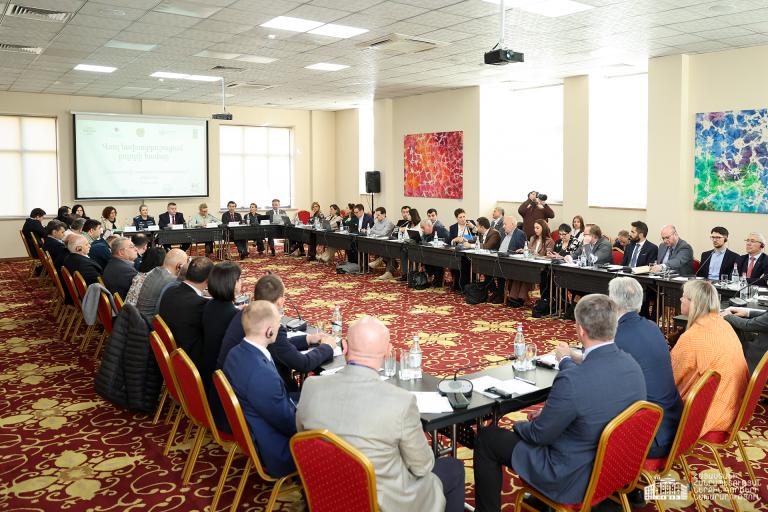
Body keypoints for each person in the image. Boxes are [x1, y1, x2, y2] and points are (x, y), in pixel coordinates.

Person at [473, 294, 645, 511]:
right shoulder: (632, 365)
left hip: (571, 476)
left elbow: (539, 435)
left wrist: (520, 426)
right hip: (617, 468)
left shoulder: (573, 381)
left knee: (487, 438)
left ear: (581, 330)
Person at [297, 316, 465, 512]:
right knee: (453, 468)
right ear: (388, 352)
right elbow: (423, 466)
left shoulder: (311, 386)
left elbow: (303, 437)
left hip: (327, 492)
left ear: (344, 346)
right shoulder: (401, 401)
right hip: (379, 503)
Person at [217, 273, 335, 395]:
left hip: (232, 389)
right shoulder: (271, 327)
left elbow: (277, 346)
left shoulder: (245, 314)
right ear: (280, 301)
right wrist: (327, 347)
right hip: (265, 394)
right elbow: (303, 364)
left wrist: (308, 339)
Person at [606, 277, 682, 458]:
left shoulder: (617, 336)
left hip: (649, 436)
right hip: (675, 426)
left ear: (612, 303)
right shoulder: (652, 326)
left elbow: (598, 383)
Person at [222, 300, 297, 477]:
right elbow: (289, 424)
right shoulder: (260, 374)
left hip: (257, 430)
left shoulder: (235, 353)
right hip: (278, 451)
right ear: (269, 331)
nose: (280, 329)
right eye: (279, 324)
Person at [672, 280, 748, 435]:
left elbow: (671, 380)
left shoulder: (692, 337)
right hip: (734, 405)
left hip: (709, 414)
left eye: (684, 297)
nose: (680, 299)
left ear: (694, 303)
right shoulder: (723, 324)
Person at [158, 256, 213, 370]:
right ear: (208, 280)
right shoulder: (199, 304)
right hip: (189, 362)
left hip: (170, 353)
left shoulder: (170, 291)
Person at [200, 262, 243, 392]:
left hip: (207, 368)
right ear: (233, 284)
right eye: (239, 279)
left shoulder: (210, 304)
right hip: (224, 378)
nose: (241, 282)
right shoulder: (234, 316)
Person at [507, 219, 554, 308]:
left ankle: (521, 297)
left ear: (543, 228)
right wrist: (524, 250)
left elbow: (549, 257)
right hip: (529, 264)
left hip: (540, 267)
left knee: (526, 273)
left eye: (537, 228)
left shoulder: (549, 241)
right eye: (534, 228)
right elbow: (528, 251)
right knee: (519, 272)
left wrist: (538, 255)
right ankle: (514, 297)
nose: (535, 230)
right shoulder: (532, 238)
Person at [134, 248, 186, 318]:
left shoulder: (155, 270)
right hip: (150, 324)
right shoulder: (172, 281)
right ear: (179, 266)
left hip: (139, 318)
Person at [488, 216, 528, 303]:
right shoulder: (502, 232)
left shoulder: (520, 234)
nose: (503, 226)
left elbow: (522, 252)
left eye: (505, 224)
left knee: (500, 270)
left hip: (511, 263)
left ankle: (501, 295)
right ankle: (496, 292)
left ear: (513, 224)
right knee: (486, 269)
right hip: (500, 258)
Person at [723, 305, 768, 372]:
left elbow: (747, 325)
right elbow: (765, 315)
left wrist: (728, 316)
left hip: (760, 356)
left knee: (730, 344)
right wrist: (747, 312)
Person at [378, 208, 419, 280]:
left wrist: (405, 232)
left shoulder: (418, 225)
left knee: (403, 252)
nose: (407, 215)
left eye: (408, 214)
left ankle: (406, 274)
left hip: (413, 246)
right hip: (405, 243)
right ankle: (404, 273)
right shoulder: (408, 224)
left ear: (413, 215)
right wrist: (401, 231)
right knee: (391, 243)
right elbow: (404, 235)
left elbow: (417, 236)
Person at [420, 220, 450, 287]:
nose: (422, 230)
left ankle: (438, 280)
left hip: (444, 253)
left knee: (436, 259)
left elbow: (448, 240)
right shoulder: (425, 233)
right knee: (425, 257)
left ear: (429, 226)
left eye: (423, 228)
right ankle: (431, 277)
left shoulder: (440, 230)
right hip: (432, 253)